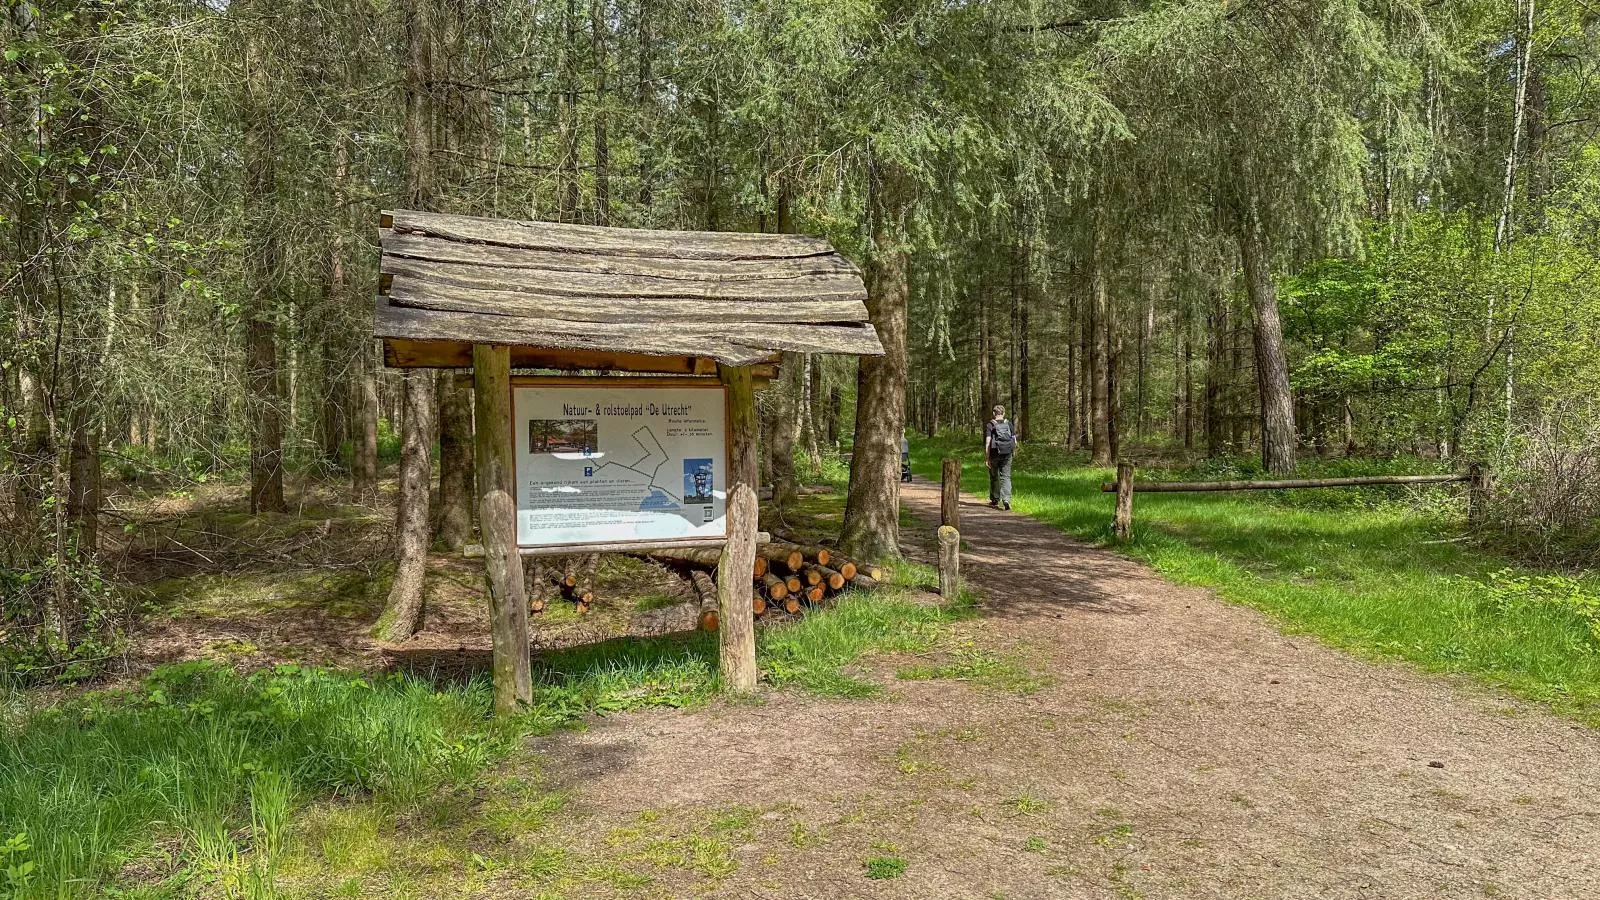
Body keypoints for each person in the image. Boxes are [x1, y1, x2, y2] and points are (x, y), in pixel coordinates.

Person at [984, 405, 1017, 509]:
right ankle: (1006, 499)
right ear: (1004, 413)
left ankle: (995, 499)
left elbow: (988, 442)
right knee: (1006, 477)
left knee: (994, 477)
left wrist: (987, 457)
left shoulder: (991, 424)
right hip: (1007, 453)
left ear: (994, 413)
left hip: (994, 453)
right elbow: (1014, 441)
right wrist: (1013, 451)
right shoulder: (1009, 424)